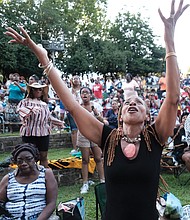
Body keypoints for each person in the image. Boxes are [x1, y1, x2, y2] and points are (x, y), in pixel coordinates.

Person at [5, 1, 189, 219]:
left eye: (139, 102)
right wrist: (44, 59)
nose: (132, 103)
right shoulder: (108, 138)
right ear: (120, 115)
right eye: (127, 103)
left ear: (148, 115)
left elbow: (172, 98)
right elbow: (72, 106)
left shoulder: (156, 136)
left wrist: (169, 43)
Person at [0, 143, 58, 219]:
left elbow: (51, 203)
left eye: (29, 159)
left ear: (35, 159)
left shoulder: (46, 174)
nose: (24, 163)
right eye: (20, 161)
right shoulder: (8, 179)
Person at [16, 82, 64, 168]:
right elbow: (20, 111)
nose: (38, 91)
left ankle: (44, 176)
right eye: (35, 89)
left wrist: (59, 123)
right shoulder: (25, 102)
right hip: (29, 132)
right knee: (29, 157)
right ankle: (31, 177)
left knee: (43, 156)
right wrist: (30, 110)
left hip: (43, 132)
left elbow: (48, 117)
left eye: (40, 89)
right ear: (31, 90)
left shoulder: (44, 104)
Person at [78, 87, 105, 194]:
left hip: (95, 134)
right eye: (82, 93)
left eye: (87, 93)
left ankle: (103, 180)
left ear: (90, 95)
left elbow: (102, 121)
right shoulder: (78, 107)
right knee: (85, 160)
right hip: (83, 134)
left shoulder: (96, 105)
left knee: (98, 158)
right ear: (80, 95)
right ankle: (85, 183)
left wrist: (96, 112)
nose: (84, 94)